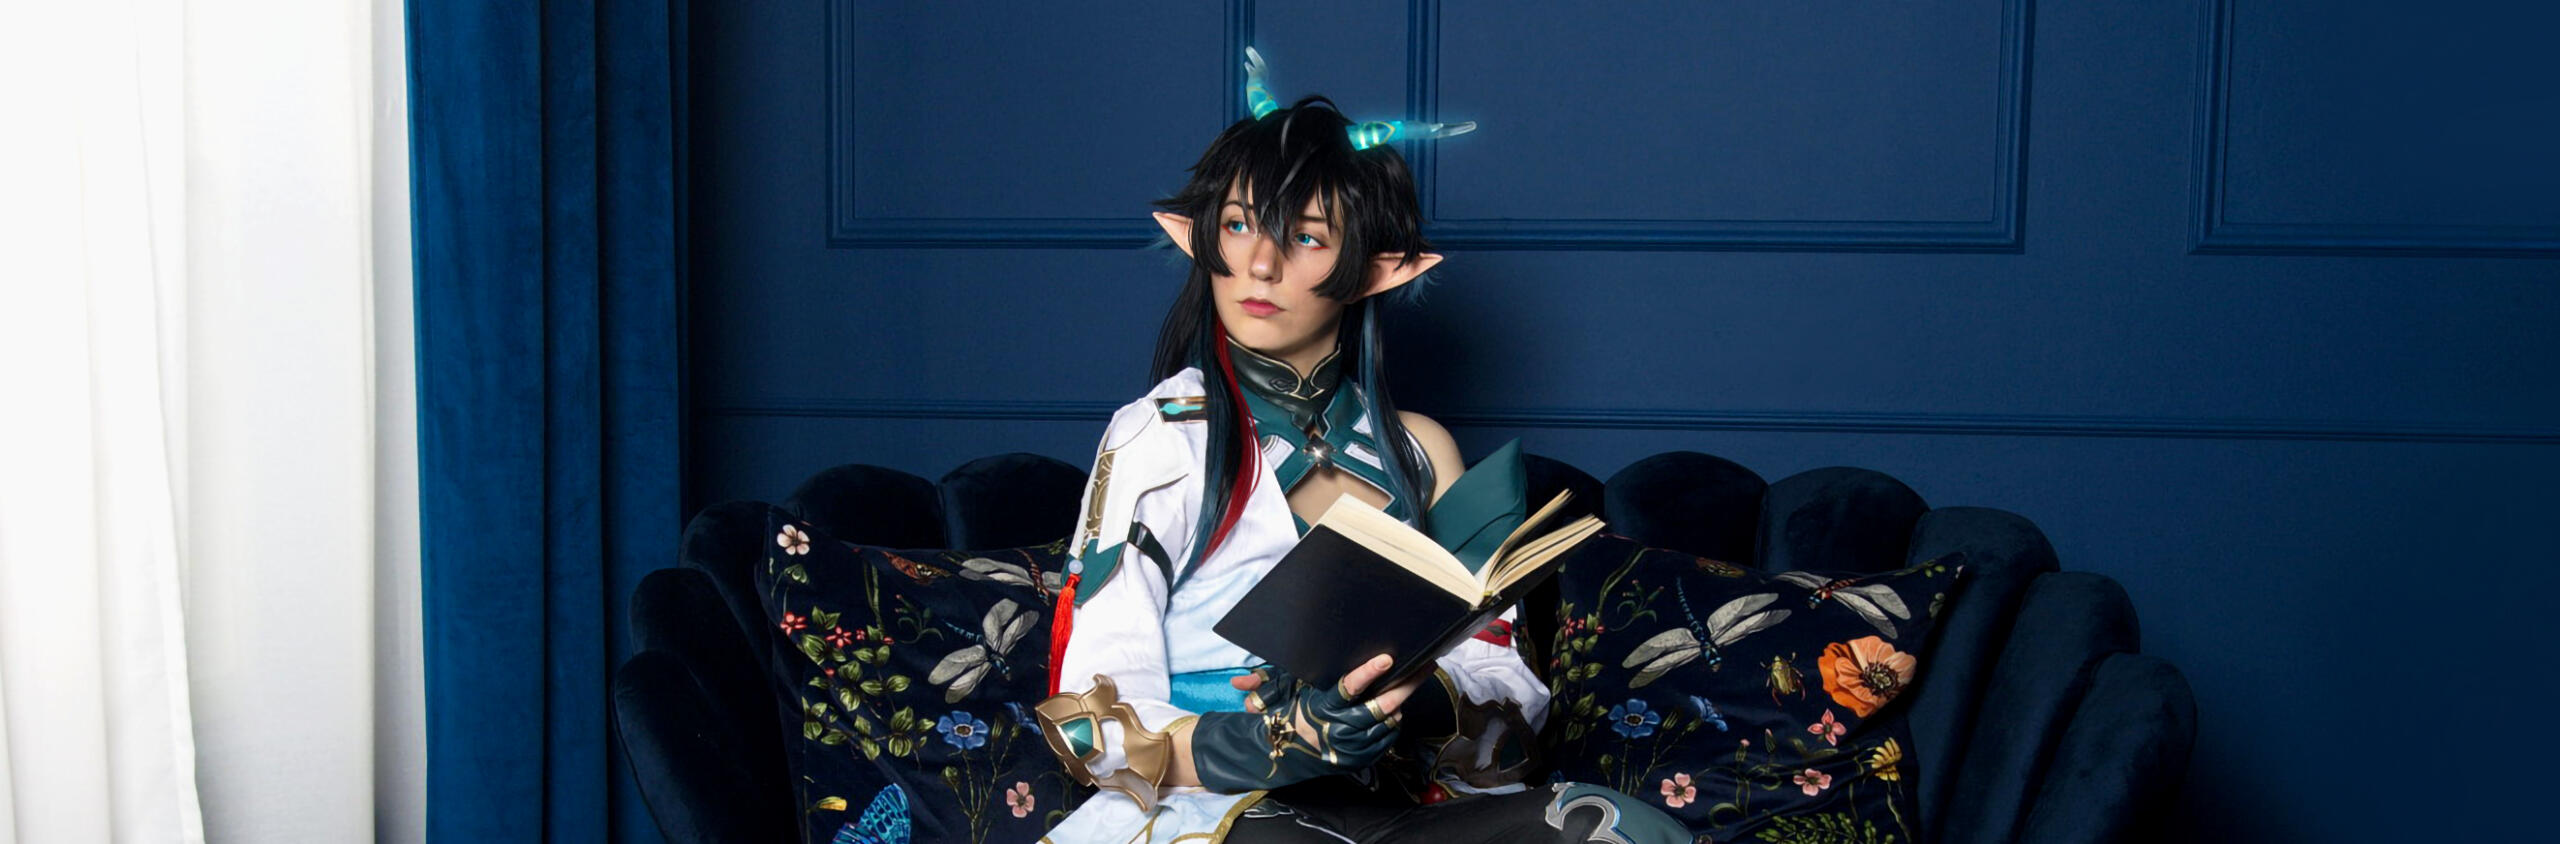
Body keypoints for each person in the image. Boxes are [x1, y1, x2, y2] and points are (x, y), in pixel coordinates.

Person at [1030, 50, 1687, 844]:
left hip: (1396, 802)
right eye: (1236, 225)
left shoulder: (1420, 451)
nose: (1259, 263)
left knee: (1619, 830)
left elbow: (1507, 692)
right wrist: (1284, 736)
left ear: (1378, 270)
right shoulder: (1162, 435)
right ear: (1197, 239)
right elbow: (1094, 716)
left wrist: (1401, 697)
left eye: (1305, 238)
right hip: (1219, 807)